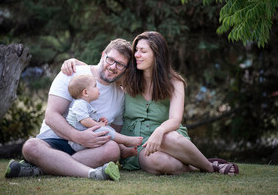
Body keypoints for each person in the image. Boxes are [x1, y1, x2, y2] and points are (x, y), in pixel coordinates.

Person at [61, 31, 239, 175]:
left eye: (143, 51)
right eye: (136, 50)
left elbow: (175, 120)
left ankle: (210, 168)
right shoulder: (128, 78)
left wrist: (159, 131)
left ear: (157, 55)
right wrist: (75, 63)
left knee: (167, 136)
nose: (136, 55)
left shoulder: (175, 83)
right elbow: (103, 71)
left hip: (169, 137)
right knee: (158, 162)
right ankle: (196, 165)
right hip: (136, 142)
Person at [5, 38, 136, 181]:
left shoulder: (120, 95)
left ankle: (42, 168)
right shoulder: (73, 73)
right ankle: (91, 173)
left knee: (112, 149)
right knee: (31, 147)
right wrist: (78, 136)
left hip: (88, 150)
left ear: (126, 68)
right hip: (54, 140)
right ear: (103, 55)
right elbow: (51, 116)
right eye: (110, 59)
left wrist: (121, 148)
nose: (113, 67)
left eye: (120, 64)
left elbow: (114, 133)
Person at [66, 74, 143, 152]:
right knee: (105, 131)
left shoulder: (85, 104)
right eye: (95, 86)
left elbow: (87, 120)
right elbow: (85, 121)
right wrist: (99, 125)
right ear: (85, 92)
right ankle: (127, 141)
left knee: (108, 129)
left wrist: (99, 121)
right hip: (78, 142)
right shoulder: (79, 104)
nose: (98, 88)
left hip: (87, 136)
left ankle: (123, 150)